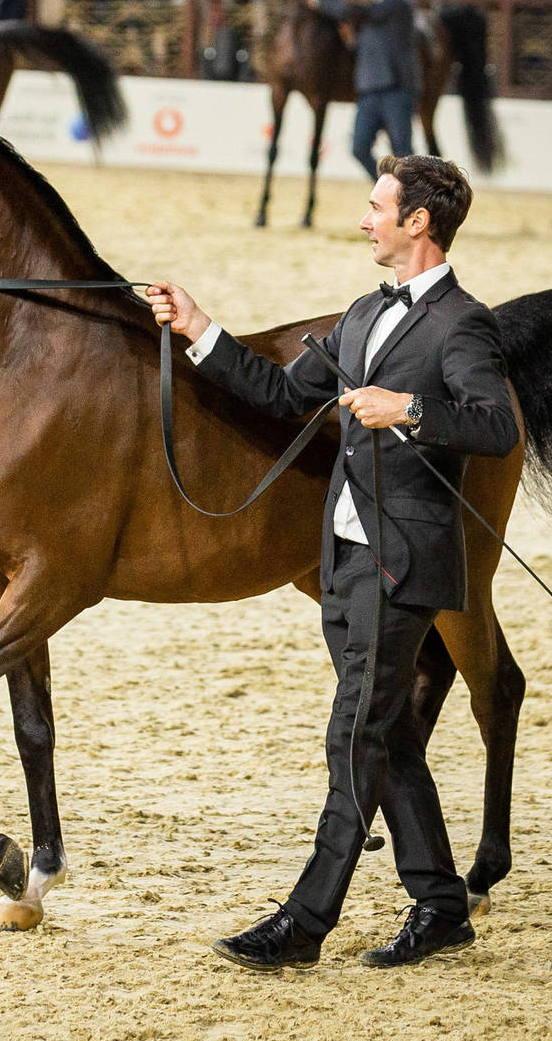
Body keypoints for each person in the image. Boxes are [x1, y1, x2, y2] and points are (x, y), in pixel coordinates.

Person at [145, 153, 518, 972]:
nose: (365, 218)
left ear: (418, 223)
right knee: (386, 739)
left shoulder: (462, 323)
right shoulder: (360, 313)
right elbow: (282, 396)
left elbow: (496, 427)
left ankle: (305, 922)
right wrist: (200, 327)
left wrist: (409, 409)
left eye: (378, 206)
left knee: (351, 736)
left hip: (404, 562)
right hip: (345, 558)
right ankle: (441, 905)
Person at [301, 0, 420, 173]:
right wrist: (353, 42)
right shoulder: (381, 2)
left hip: (396, 88)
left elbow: (361, 13)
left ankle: (409, 196)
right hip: (370, 88)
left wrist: (319, 1)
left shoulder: (399, 0)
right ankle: (391, 191)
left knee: (403, 152)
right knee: (359, 147)